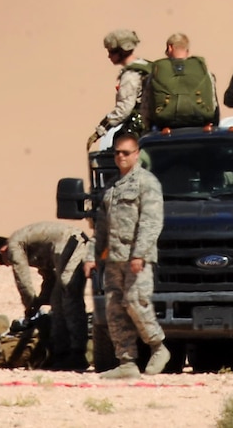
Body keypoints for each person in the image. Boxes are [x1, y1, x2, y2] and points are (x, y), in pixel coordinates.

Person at [92, 131, 167, 378]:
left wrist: (139, 254)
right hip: (114, 259)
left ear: (136, 154)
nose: (121, 157)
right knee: (115, 309)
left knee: (136, 302)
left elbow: (151, 222)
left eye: (126, 153)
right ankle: (126, 362)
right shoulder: (111, 187)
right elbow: (101, 226)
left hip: (136, 259)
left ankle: (158, 347)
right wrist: (92, 256)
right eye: (117, 153)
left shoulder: (147, 183)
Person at [0, 221, 92, 369]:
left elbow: (22, 280)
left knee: (68, 293)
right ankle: (61, 353)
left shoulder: (14, 245)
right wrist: (38, 302)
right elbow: (49, 277)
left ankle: (78, 353)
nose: (6, 265)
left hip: (73, 244)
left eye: (1, 262)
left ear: (2, 250)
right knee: (57, 300)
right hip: (63, 252)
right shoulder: (27, 248)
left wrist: (30, 305)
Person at [142, 33, 218, 130]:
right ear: (187, 50)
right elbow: (212, 99)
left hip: (165, 128)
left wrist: (148, 127)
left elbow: (146, 104)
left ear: (170, 48)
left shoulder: (158, 69)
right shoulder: (202, 68)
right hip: (200, 125)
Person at [90, 29, 150, 149]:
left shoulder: (131, 75)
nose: (109, 56)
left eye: (111, 52)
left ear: (121, 51)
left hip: (141, 129)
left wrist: (101, 130)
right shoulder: (146, 66)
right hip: (151, 126)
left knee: (119, 146)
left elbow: (123, 110)